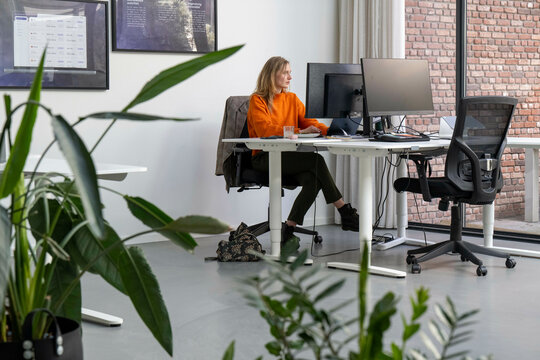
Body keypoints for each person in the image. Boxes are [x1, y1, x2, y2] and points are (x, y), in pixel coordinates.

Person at [246, 56, 359, 250]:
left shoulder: (291, 99)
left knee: (313, 180)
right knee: (315, 160)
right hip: (264, 157)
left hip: (286, 157)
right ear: (273, 75)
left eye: (290, 72)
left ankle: (289, 229)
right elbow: (266, 130)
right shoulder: (258, 100)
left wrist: (330, 131)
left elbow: (309, 122)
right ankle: (344, 210)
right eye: (286, 72)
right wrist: (299, 131)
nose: (290, 77)